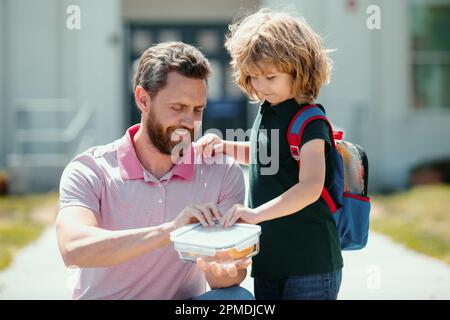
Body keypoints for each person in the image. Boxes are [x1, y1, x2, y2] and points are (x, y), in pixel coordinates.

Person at [56, 41, 253, 300]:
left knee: (235, 299)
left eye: (198, 110)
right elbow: (74, 248)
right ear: (143, 99)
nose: (189, 123)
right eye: (177, 108)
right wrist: (172, 231)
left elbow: (223, 279)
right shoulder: (92, 169)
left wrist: (225, 268)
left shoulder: (222, 172)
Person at [196, 9, 343, 300]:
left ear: (300, 69)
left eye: (270, 77)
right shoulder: (268, 110)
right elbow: (265, 154)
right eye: (253, 77)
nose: (261, 86)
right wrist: (224, 145)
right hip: (269, 263)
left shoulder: (311, 120)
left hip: (310, 263)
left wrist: (254, 215)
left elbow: (311, 186)